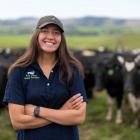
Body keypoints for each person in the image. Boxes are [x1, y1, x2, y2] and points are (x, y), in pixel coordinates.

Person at [3, 15, 87, 140]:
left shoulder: (72, 69)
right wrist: (62, 113)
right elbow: (17, 122)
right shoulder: (19, 70)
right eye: (45, 31)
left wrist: (38, 110)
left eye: (56, 33)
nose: (50, 37)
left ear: (61, 38)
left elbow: (79, 117)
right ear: (36, 35)